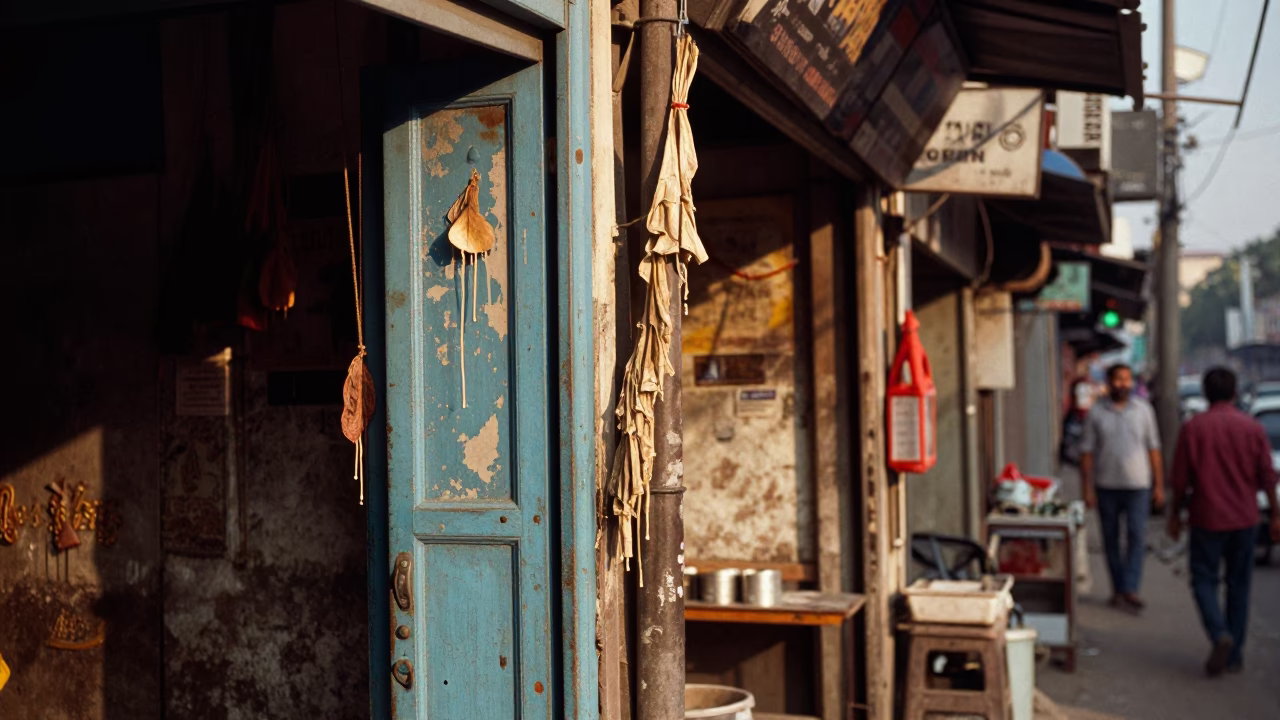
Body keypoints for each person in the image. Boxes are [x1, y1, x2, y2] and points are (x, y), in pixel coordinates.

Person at [1167, 367, 1280, 676]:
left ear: (1205, 393)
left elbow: (1180, 481)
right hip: (1245, 519)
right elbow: (1268, 477)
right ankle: (1234, 655)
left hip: (1207, 518)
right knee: (1239, 586)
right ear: (1234, 393)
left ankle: (1220, 634)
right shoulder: (1252, 428)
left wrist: (1175, 516)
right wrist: (1276, 514)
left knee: (1203, 579)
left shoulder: (1193, 428)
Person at [1080, 363, 1164, 613]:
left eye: (1127, 379)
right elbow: (1086, 453)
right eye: (1118, 379)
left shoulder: (1144, 411)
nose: (1123, 384)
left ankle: (1130, 588)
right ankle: (1118, 588)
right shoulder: (1096, 413)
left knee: (1137, 537)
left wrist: (1159, 485)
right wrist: (1087, 489)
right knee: (1111, 540)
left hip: (1139, 486)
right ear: (1109, 382)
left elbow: (1154, 449)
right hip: (1106, 485)